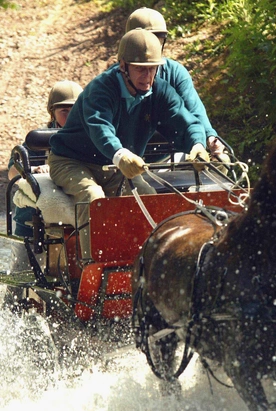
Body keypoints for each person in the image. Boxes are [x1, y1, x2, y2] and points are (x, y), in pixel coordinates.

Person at [48, 29, 210, 260]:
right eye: (139, 68)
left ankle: (146, 266)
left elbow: (186, 121)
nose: (147, 76)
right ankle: (91, 269)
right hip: (71, 161)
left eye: (152, 68)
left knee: (148, 195)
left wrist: (197, 144)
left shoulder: (161, 91)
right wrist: (120, 154)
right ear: (123, 65)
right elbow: (99, 126)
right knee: (94, 198)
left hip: (116, 165)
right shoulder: (101, 88)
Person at [4, 80, 83, 311]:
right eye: (64, 111)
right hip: (31, 227)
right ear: (52, 112)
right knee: (19, 285)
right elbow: (11, 171)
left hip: (70, 229)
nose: (69, 117)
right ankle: (11, 314)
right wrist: (31, 171)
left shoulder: (88, 140)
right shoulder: (35, 142)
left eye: (74, 111)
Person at [124, 7, 230, 166]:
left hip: (172, 156)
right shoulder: (117, 77)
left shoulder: (175, 72)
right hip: (129, 160)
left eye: (157, 40)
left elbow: (195, 112)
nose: (151, 47)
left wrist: (210, 138)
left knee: (220, 167)